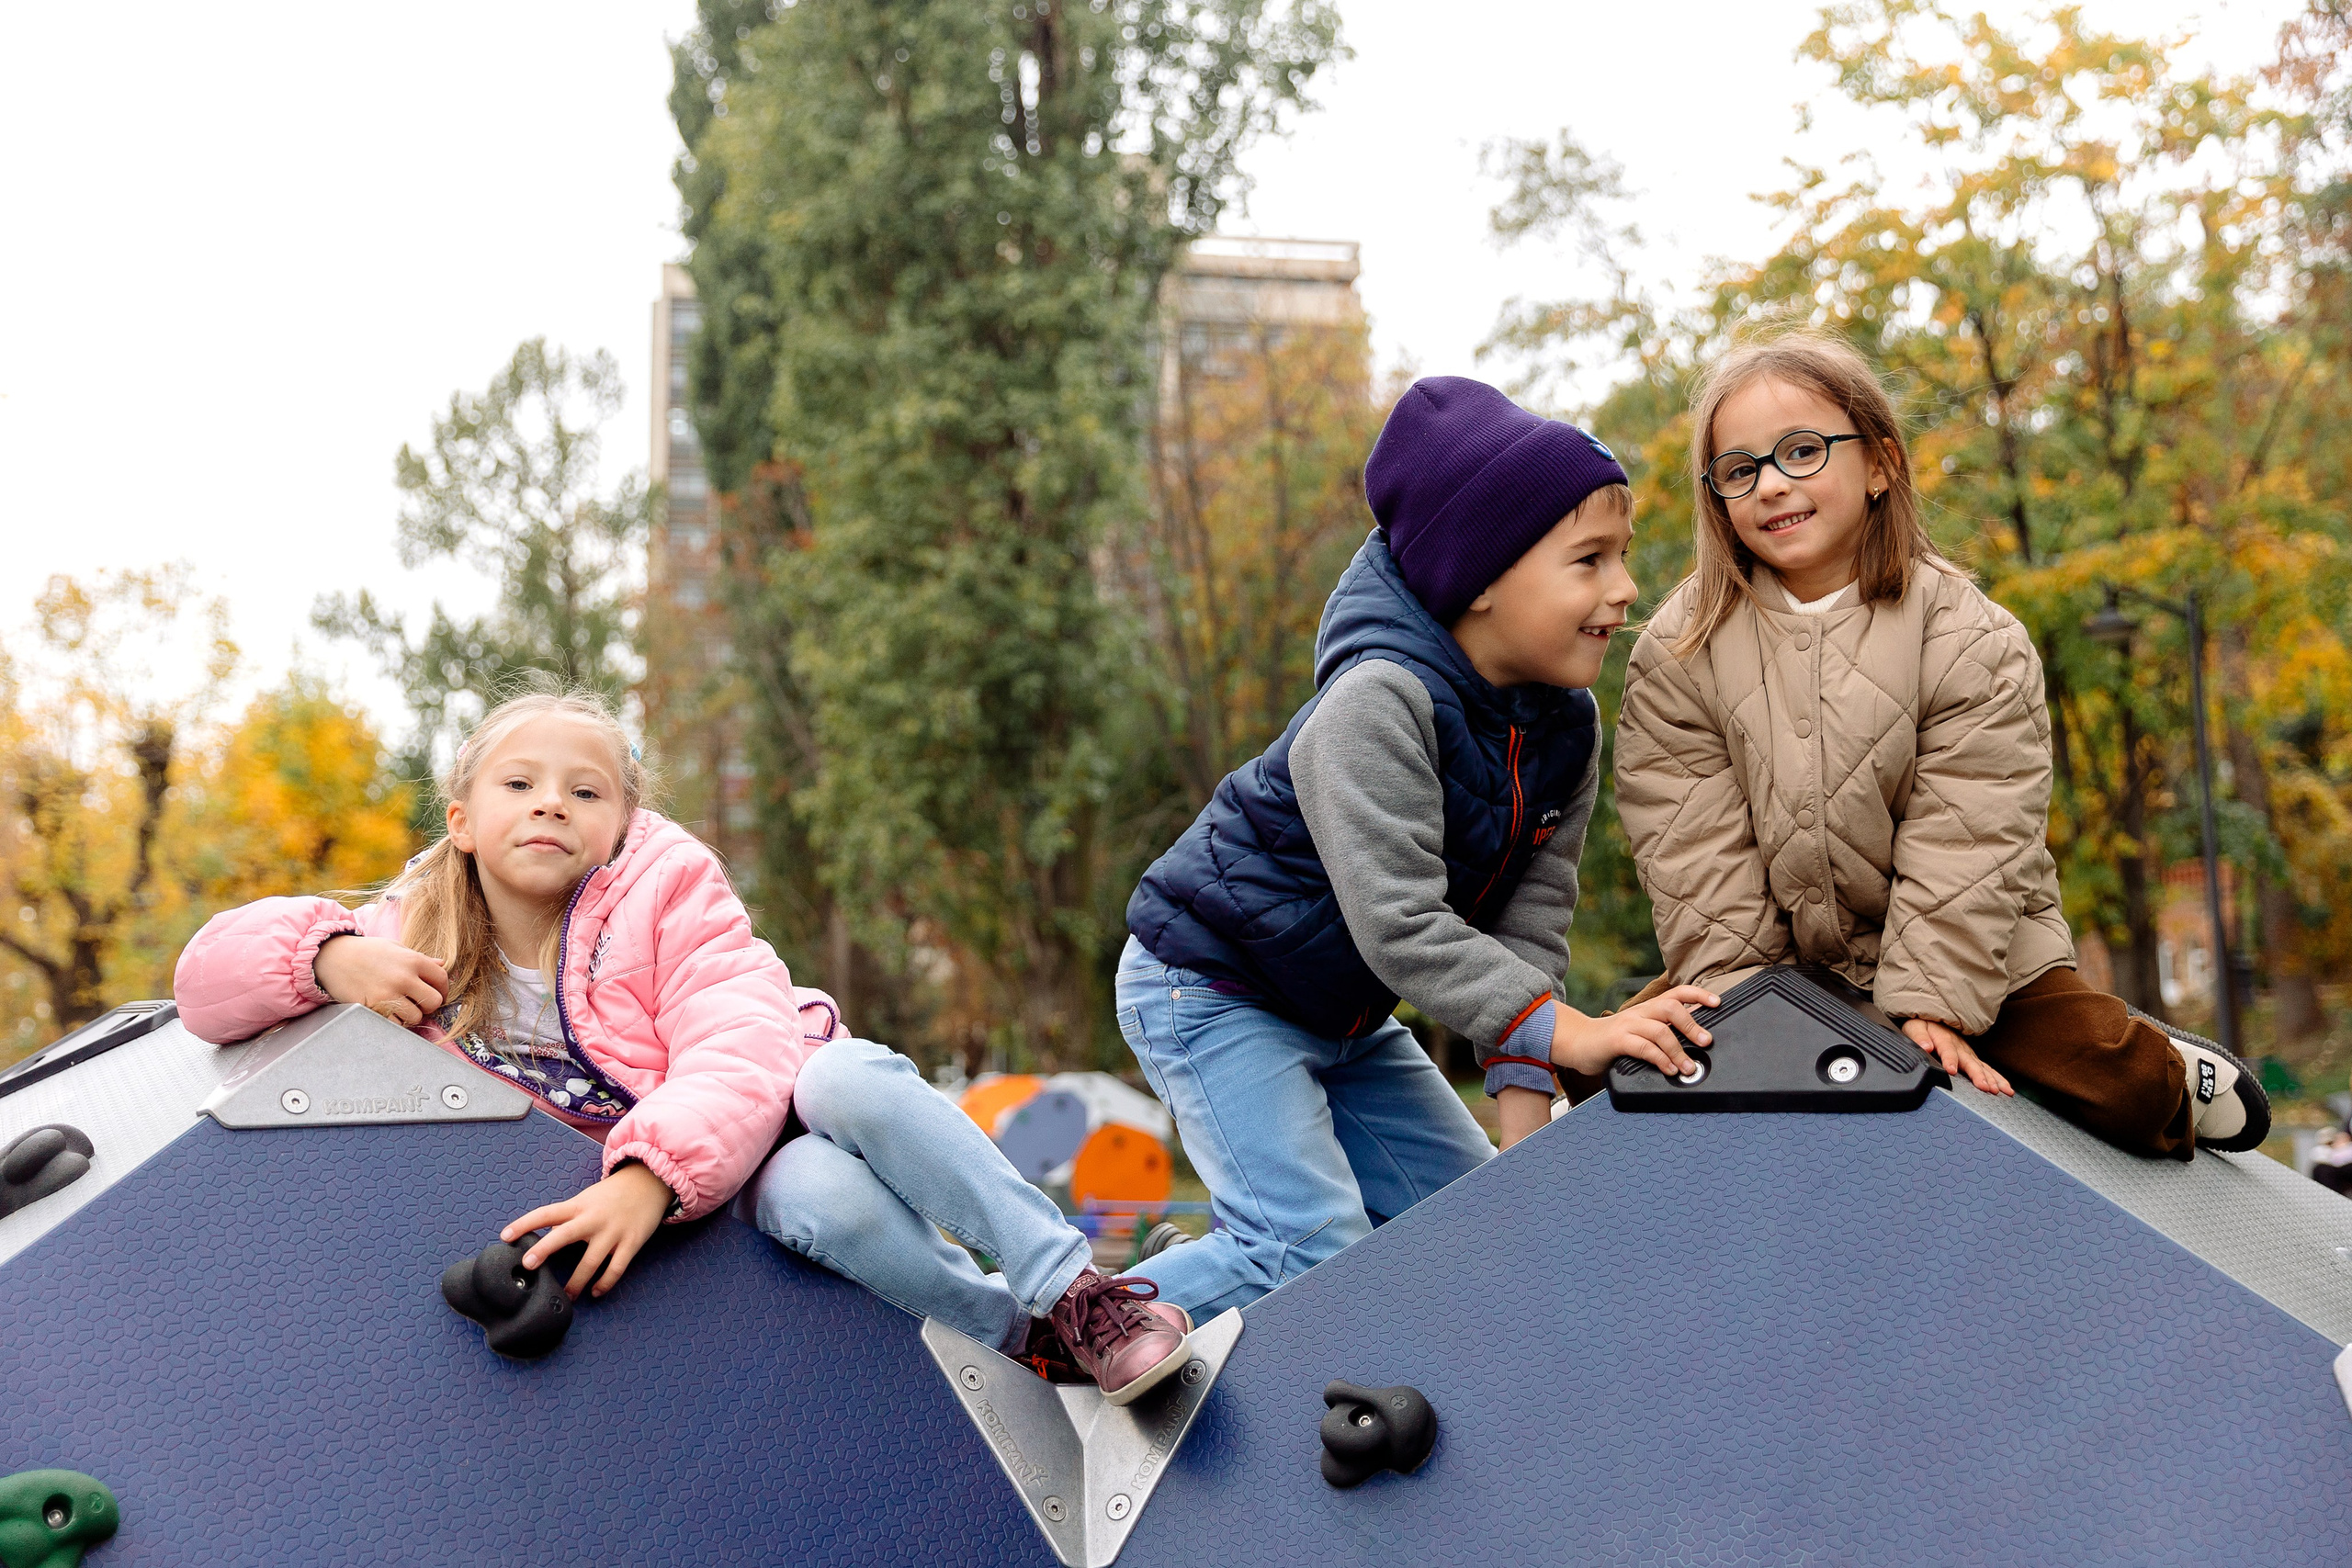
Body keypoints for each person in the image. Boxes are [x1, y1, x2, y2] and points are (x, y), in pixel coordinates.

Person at [175, 685, 1189, 1402]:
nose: (550, 805)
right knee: (810, 1200)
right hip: (729, 1185)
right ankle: (1024, 1344)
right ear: (463, 822)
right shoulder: (412, 933)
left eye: (585, 791)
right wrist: (328, 957)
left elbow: (741, 1042)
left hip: (765, 1111)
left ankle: (1078, 1293)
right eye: (519, 784)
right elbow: (202, 985)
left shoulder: (667, 891)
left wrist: (648, 1175)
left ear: (622, 824)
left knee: (847, 1077)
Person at [1119, 376, 1720, 1320]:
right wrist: (1581, 1039)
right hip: (1212, 983)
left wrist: (1524, 1146)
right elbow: (1402, 926)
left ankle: (1194, 1282)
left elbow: (1526, 934)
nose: (1624, 588)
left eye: (1623, 556)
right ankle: (1061, 1315)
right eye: (1588, 561)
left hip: (1340, 1013)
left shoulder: (1565, 729)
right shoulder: (1376, 702)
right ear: (1481, 578)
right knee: (1309, 1255)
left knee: (1476, 1232)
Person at [1612, 327, 2268, 1160]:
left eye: (1802, 451)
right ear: (1718, 497)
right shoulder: (1682, 650)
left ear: (1881, 464)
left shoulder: (1971, 638)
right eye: (1741, 469)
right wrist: (1759, 1013)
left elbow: (1970, 831)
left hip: (1972, 943)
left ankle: (2175, 1068)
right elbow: (1694, 851)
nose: (1772, 484)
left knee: (2107, 1079)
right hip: (1780, 955)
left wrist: (1930, 1004)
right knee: (1621, 1067)